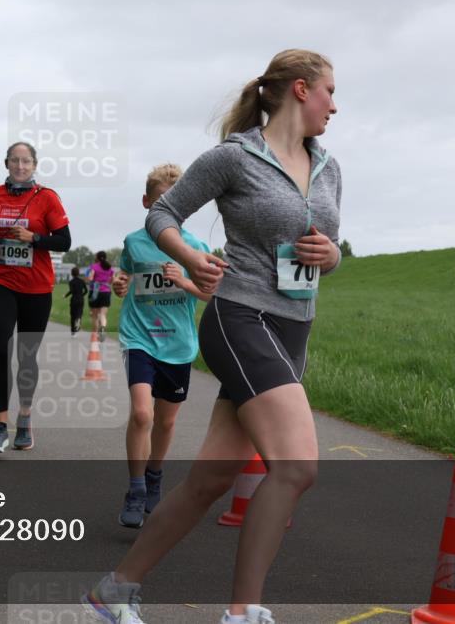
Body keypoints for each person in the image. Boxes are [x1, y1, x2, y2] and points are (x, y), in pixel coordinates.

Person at [83, 49, 342, 624]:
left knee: (211, 480)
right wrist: (188, 260)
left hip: (293, 330)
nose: (335, 105)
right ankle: (243, 612)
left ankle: (113, 591)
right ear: (301, 90)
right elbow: (163, 216)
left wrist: (331, 256)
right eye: (329, 91)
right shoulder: (235, 158)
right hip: (240, 318)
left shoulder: (328, 165)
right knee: (297, 467)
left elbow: (328, 249)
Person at [110, 163, 212, 529]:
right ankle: (136, 489)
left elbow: (209, 293)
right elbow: (124, 275)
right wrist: (120, 284)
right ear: (147, 204)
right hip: (140, 338)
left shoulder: (196, 248)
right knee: (142, 414)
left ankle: (154, 475)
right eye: (160, 205)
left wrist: (183, 282)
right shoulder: (133, 241)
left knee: (165, 423)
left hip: (178, 344)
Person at [0, 141, 71, 452]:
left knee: (26, 355)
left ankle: (25, 418)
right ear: (6, 164)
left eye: (25, 161)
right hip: (1, 280)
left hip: (37, 287)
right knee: (1, 348)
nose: (19, 166)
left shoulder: (47, 198)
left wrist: (35, 238)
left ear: (34, 165)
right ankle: (0, 425)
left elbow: (65, 242)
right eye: (14, 161)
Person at [87, 251, 115, 338]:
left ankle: (95, 335)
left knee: (94, 316)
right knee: (103, 315)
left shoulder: (94, 267)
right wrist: (106, 282)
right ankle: (102, 329)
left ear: (97, 258)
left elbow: (90, 278)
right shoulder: (110, 268)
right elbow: (112, 280)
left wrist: (91, 280)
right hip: (106, 292)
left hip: (95, 292)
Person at [64, 266, 88, 336]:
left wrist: (66, 295)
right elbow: (86, 291)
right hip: (80, 299)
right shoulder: (82, 281)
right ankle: (78, 322)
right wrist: (81, 295)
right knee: (79, 313)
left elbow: (71, 291)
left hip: (74, 299)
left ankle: (73, 331)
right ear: (78, 273)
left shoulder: (71, 282)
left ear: (72, 274)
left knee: (73, 315)